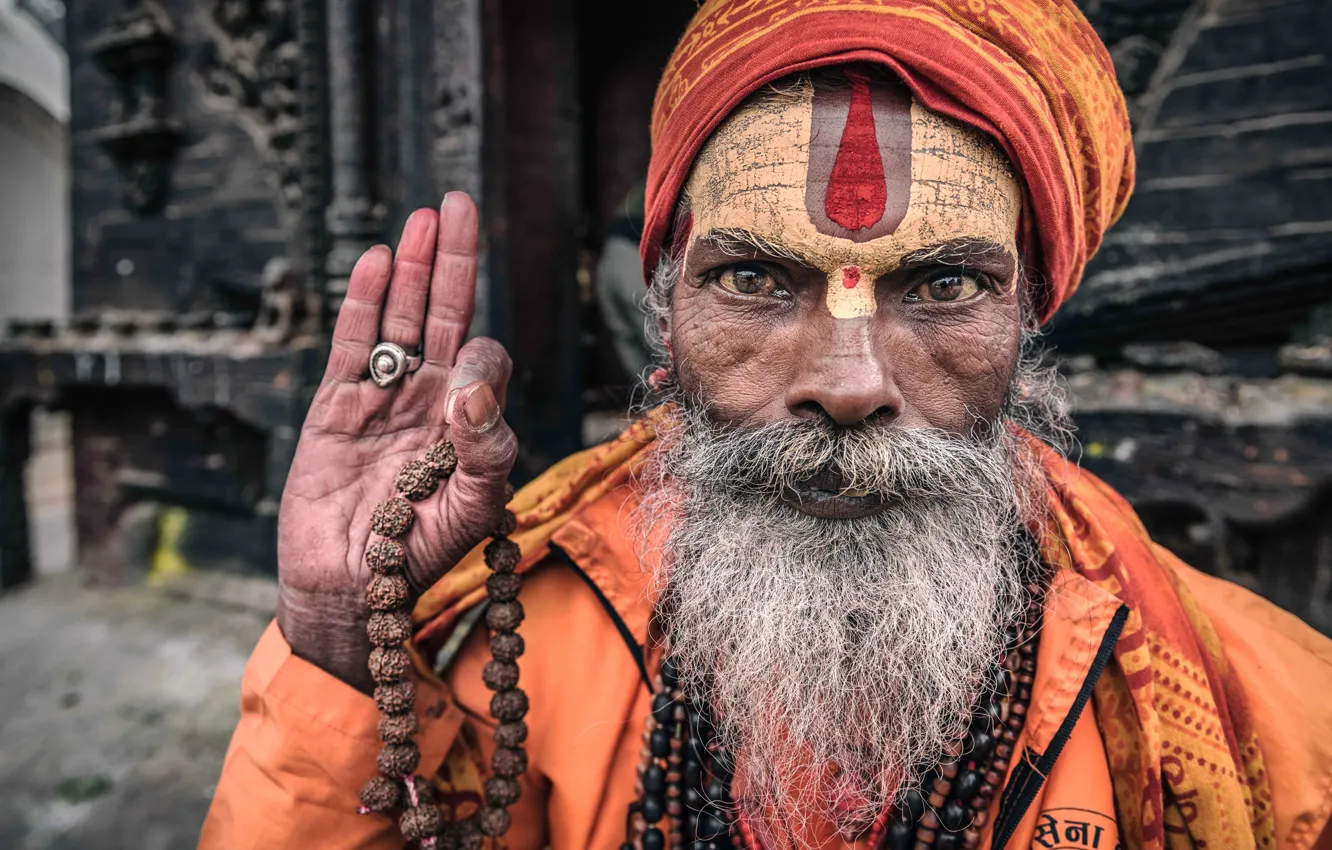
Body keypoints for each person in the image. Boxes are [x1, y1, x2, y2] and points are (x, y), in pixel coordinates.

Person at [200, 1, 1332, 848]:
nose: (847, 381)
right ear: (665, 318)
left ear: (1028, 324)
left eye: (942, 286)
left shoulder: (1274, 717)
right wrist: (339, 636)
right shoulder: (514, 637)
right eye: (752, 278)